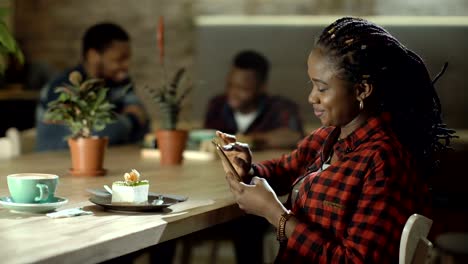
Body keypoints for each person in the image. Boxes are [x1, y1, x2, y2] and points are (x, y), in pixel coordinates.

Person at [216, 17, 455, 263]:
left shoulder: (384, 161)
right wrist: (248, 167)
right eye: (312, 85)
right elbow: (284, 169)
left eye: (322, 88)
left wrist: (276, 215)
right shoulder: (328, 137)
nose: (311, 98)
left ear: (362, 90)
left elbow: (355, 261)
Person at [35, 22, 149, 151]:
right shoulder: (63, 87)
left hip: (109, 159)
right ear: (93, 56)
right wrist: (130, 120)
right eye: (119, 59)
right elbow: (94, 135)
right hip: (54, 163)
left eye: (128, 59)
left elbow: (144, 122)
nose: (126, 65)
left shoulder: (120, 83)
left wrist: (119, 125)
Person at [204, 50, 304, 149]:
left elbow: (294, 137)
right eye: (230, 85)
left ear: (262, 88)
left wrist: (248, 140)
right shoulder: (217, 105)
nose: (233, 93)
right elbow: (205, 136)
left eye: (242, 88)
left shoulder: (281, 107)